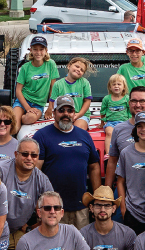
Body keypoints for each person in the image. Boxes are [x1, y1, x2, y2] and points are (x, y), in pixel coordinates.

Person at [0, 138, 55, 250]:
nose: (29, 158)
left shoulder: (41, 178)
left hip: (21, 227)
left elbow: (51, 207)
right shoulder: (1, 171)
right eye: (25, 154)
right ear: (16, 154)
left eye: (34, 155)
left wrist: (32, 226)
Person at [33, 96, 101, 228]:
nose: (66, 114)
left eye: (69, 110)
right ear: (54, 113)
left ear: (74, 113)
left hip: (81, 208)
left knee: (80, 247)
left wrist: (97, 198)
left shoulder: (85, 135)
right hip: (52, 209)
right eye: (61, 110)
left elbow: (94, 167)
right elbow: (35, 172)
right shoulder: (41, 136)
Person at [104, 87, 145, 186]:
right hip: (128, 192)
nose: (137, 105)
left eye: (142, 101)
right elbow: (112, 162)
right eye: (134, 101)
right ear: (129, 103)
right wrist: (107, 191)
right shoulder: (118, 129)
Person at [11, 36, 58, 136]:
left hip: (38, 104)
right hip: (23, 101)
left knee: (30, 118)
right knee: (14, 129)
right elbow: (18, 91)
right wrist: (27, 108)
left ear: (46, 50)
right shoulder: (25, 67)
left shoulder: (51, 64)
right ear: (30, 50)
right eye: (35, 49)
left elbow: (53, 88)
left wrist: (50, 107)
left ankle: (21, 118)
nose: (38, 52)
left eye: (41, 49)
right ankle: (18, 118)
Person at [49, 56, 93, 130]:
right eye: (77, 66)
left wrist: (79, 114)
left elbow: (87, 101)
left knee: (77, 129)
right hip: (63, 115)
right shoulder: (58, 84)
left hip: (81, 115)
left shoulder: (85, 83)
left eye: (82, 70)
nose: (79, 70)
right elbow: (53, 102)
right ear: (69, 66)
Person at [102, 74, 131, 142]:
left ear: (124, 86)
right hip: (110, 123)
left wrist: (130, 123)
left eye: (119, 84)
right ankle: (108, 152)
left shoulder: (127, 98)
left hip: (124, 122)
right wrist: (101, 123)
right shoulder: (106, 99)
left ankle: (123, 152)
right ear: (110, 86)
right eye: (114, 84)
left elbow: (130, 111)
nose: (116, 86)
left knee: (124, 134)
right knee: (109, 133)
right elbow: (103, 112)